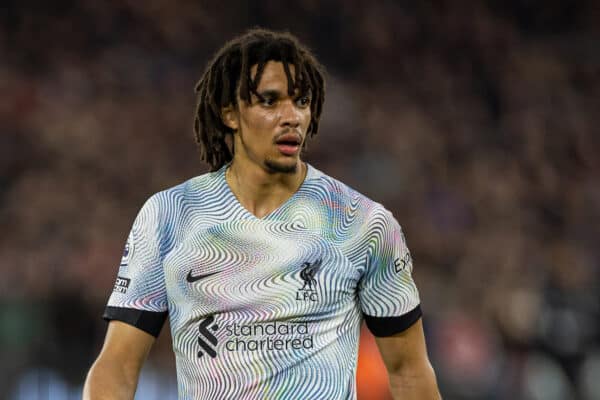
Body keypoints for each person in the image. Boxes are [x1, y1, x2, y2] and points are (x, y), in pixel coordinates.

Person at [83, 28, 441, 400]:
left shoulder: (363, 222)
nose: (291, 117)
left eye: (301, 101)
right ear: (230, 114)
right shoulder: (170, 216)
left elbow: (409, 372)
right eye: (269, 102)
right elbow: (117, 365)